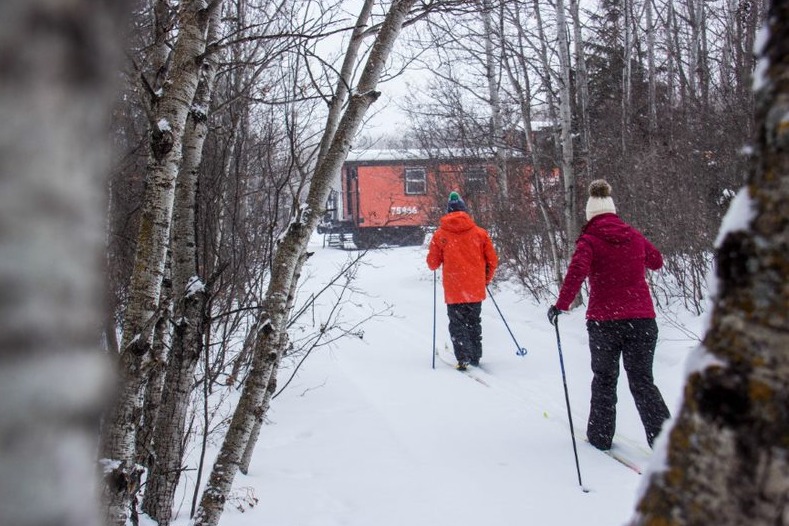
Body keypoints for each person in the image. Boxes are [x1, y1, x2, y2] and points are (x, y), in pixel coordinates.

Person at [547, 179, 670, 450]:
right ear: (613, 210)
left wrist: (561, 305)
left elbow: (576, 273)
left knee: (604, 379)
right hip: (641, 321)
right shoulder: (634, 236)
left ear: (590, 214)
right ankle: (665, 442)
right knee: (642, 381)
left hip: (605, 323)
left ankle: (601, 437)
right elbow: (657, 261)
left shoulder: (589, 240)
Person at [427, 192, 498, 370]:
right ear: (465, 210)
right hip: (474, 288)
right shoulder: (480, 233)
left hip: (454, 289)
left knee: (457, 324)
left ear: (448, 211)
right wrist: (485, 280)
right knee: (474, 322)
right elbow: (492, 261)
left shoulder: (440, 235)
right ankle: (475, 356)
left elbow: (432, 264)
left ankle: (463, 357)